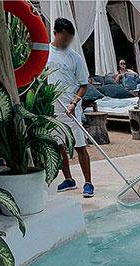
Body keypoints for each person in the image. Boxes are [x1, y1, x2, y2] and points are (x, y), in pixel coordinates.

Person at [48, 17, 94, 198]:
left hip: (71, 107)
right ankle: (68, 179)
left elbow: (83, 85)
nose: (67, 41)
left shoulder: (75, 57)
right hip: (53, 107)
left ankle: (88, 182)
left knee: (80, 146)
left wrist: (74, 103)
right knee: (59, 146)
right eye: (64, 38)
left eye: (69, 38)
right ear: (55, 33)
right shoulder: (45, 54)